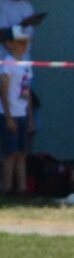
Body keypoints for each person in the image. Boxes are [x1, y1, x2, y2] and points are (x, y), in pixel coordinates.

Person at [0, 24, 30, 196]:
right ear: (9, 44)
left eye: (25, 42)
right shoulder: (7, 63)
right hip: (8, 114)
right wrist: (9, 117)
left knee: (22, 152)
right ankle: (7, 188)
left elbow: (27, 91)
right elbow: (3, 91)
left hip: (22, 113)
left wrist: (29, 116)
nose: (24, 45)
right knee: (10, 153)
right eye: (20, 42)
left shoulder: (26, 63)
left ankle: (22, 188)